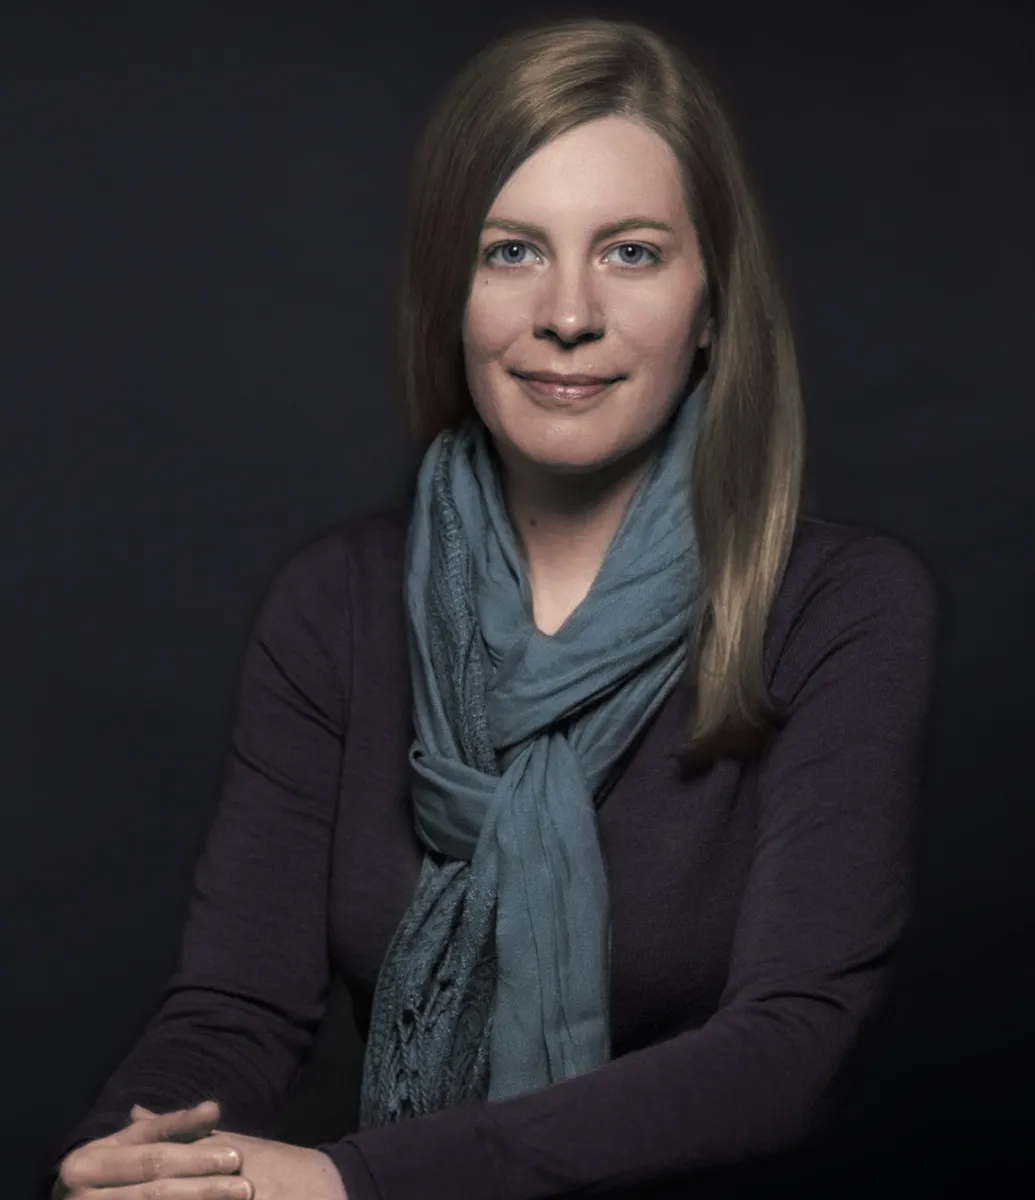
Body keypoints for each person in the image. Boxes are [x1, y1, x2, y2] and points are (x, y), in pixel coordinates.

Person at [44, 16, 936, 1200]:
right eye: (512, 251)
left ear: (713, 301)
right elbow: (235, 1009)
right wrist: (126, 1169)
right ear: (450, 288)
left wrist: (351, 1184)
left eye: (630, 253)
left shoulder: (840, 610)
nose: (566, 313)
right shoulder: (338, 605)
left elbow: (788, 1050)